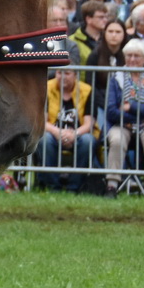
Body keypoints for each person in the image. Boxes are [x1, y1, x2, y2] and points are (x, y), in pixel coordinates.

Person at [102, 38, 144, 195]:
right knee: (116, 139)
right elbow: (111, 111)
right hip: (121, 124)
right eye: (128, 55)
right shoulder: (116, 77)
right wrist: (141, 114)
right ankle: (112, 185)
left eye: (136, 56)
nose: (132, 59)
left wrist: (131, 107)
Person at [36, 64, 97, 193]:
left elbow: (89, 123)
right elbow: (42, 121)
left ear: (75, 75)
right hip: (53, 133)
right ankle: (53, 186)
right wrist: (57, 132)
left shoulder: (87, 90)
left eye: (67, 73)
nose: (62, 76)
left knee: (88, 141)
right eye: (59, 72)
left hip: (79, 134)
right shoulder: (47, 87)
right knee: (44, 140)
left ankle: (74, 187)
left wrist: (74, 134)